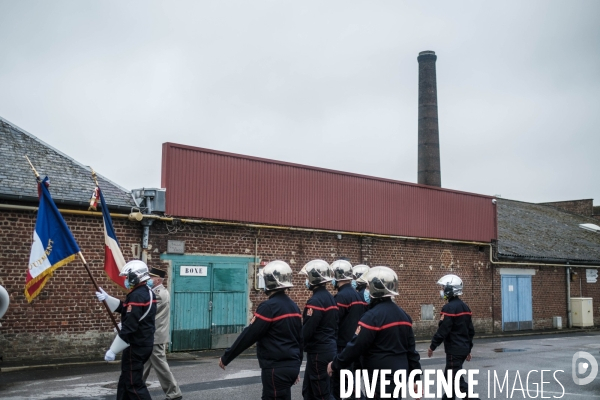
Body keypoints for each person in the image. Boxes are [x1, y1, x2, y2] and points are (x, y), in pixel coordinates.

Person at [327, 266, 422, 400]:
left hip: (380, 379)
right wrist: (416, 378)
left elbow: (356, 346)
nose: (366, 290)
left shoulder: (372, 317)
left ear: (375, 289)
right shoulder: (404, 316)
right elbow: (412, 352)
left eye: (367, 287)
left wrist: (335, 364)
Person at [219, 260, 303, 400]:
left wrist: (227, 356)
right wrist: (295, 367)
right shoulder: (294, 307)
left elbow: (249, 335)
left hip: (275, 368)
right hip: (291, 365)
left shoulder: (268, 308)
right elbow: (300, 339)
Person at [96, 260, 157, 400]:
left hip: (135, 346)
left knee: (133, 384)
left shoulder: (137, 295)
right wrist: (107, 299)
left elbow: (130, 326)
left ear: (136, 276)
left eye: (128, 276)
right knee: (125, 381)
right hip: (143, 343)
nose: (126, 280)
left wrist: (113, 350)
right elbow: (127, 308)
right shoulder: (145, 292)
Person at [427, 274, 477, 400]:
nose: (442, 290)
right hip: (462, 349)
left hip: (454, 350)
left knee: (457, 382)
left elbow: (444, 330)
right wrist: (468, 349)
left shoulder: (448, 308)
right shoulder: (465, 307)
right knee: (449, 379)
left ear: (450, 289)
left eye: (444, 288)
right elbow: (470, 331)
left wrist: (432, 346)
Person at [299, 259, 339, 400]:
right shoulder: (330, 298)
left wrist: (296, 350)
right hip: (329, 349)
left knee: (322, 394)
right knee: (308, 391)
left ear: (313, 279)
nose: (306, 281)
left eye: (307, 277)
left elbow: (308, 330)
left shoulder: (315, 301)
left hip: (318, 352)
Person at [142, 267, 182, 400]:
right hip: (152, 336)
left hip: (155, 336)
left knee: (161, 367)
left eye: (151, 278)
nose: (148, 279)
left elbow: (147, 312)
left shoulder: (158, 294)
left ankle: (174, 392)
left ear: (158, 280)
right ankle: (134, 388)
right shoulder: (155, 292)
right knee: (142, 365)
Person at [329, 260, 367, 400]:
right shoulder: (356, 295)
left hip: (342, 346)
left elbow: (334, 322)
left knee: (340, 386)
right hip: (353, 344)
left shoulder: (341, 297)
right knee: (351, 383)